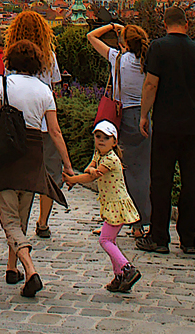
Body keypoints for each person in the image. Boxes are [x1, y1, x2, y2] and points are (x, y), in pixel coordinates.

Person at [0, 39, 74, 299]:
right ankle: (11, 268)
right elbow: (54, 131)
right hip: (32, 155)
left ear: (11, 61)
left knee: (8, 218)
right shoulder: (43, 91)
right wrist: (68, 165)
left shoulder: (3, 85)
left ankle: (30, 270)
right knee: (22, 215)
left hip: (6, 154)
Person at [137, 6, 195, 255]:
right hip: (194, 125)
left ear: (165, 23)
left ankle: (159, 237)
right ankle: (189, 240)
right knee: (192, 183)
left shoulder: (159, 47)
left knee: (161, 181)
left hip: (167, 124)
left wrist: (143, 114)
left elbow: (151, 84)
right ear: (186, 23)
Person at [86, 22, 151, 235]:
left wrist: (112, 26)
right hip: (144, 116)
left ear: (123, 43)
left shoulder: (118, 60)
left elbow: (91, 36)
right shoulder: (147, 61)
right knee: (141, 171)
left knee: (118, 172)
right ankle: (139, 223)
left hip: (121, 116)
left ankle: (115, 221)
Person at [63, 120, 142, 293]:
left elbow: (91, 176)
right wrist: (91, 169)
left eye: (106, 138)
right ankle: (119, 276)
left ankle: (127, 268)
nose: (101, 140)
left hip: (117, 205)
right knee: (110, 240)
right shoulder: (99, 154)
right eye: (98, 137)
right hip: (111, 204)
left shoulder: (111, 159)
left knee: (105, 240)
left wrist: (72, 179)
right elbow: (90, 168)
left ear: (114, 142)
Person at [3, 10, 62, 239]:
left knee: (20, 173)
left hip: (17, 126)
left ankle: (18, 220)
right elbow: (53, 87)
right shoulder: (49, 56)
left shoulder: (11, 57)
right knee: (48, 173)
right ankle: (43, 221)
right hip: (44, 125)